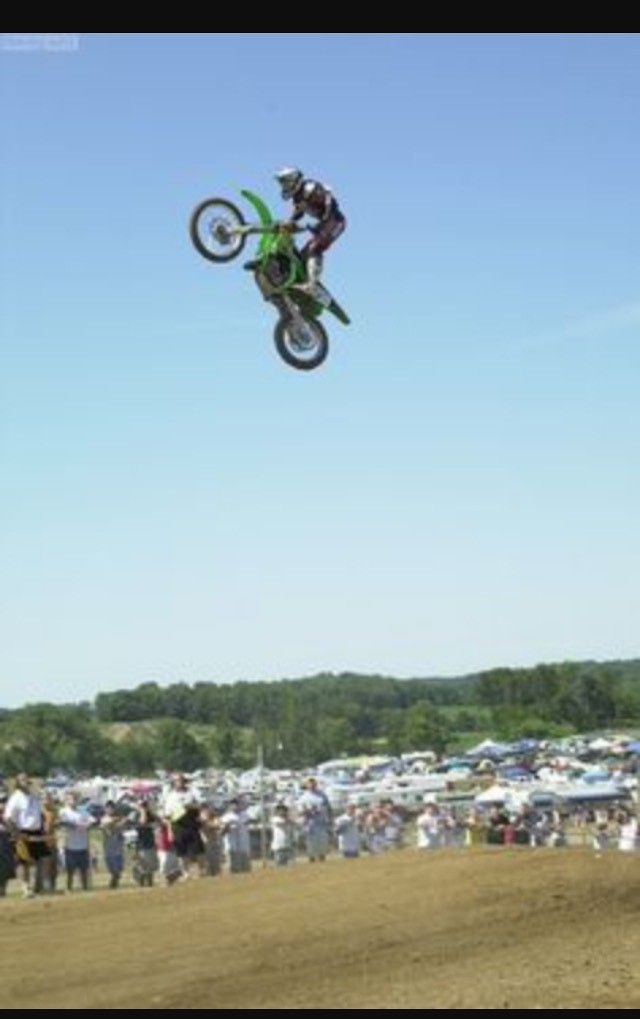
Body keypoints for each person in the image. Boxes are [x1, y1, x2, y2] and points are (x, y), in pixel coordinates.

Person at [274, 167, 346, 295]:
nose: (283, 186)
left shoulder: (310, 188)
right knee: (302, 257)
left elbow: (330, 203)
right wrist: (289, 222)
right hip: (323, 224)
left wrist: (322, 221)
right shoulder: (297, 197)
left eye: (285, 182)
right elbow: (298, 213)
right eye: (282, 183)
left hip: (336, 221)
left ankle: (312, 285)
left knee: (314, 248)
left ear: (293, 180)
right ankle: (301, 285)